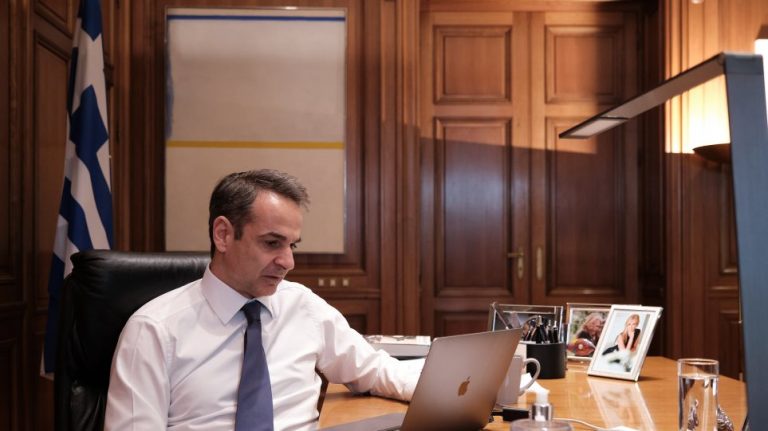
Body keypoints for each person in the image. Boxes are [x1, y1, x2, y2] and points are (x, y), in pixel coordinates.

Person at [104, 169, 419, 431]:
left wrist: (442, 391)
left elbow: (376, 370)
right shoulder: (153, 330)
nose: (288, 262)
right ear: (223, 234)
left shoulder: (302, 306)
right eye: (272, 243)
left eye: (292, 246)